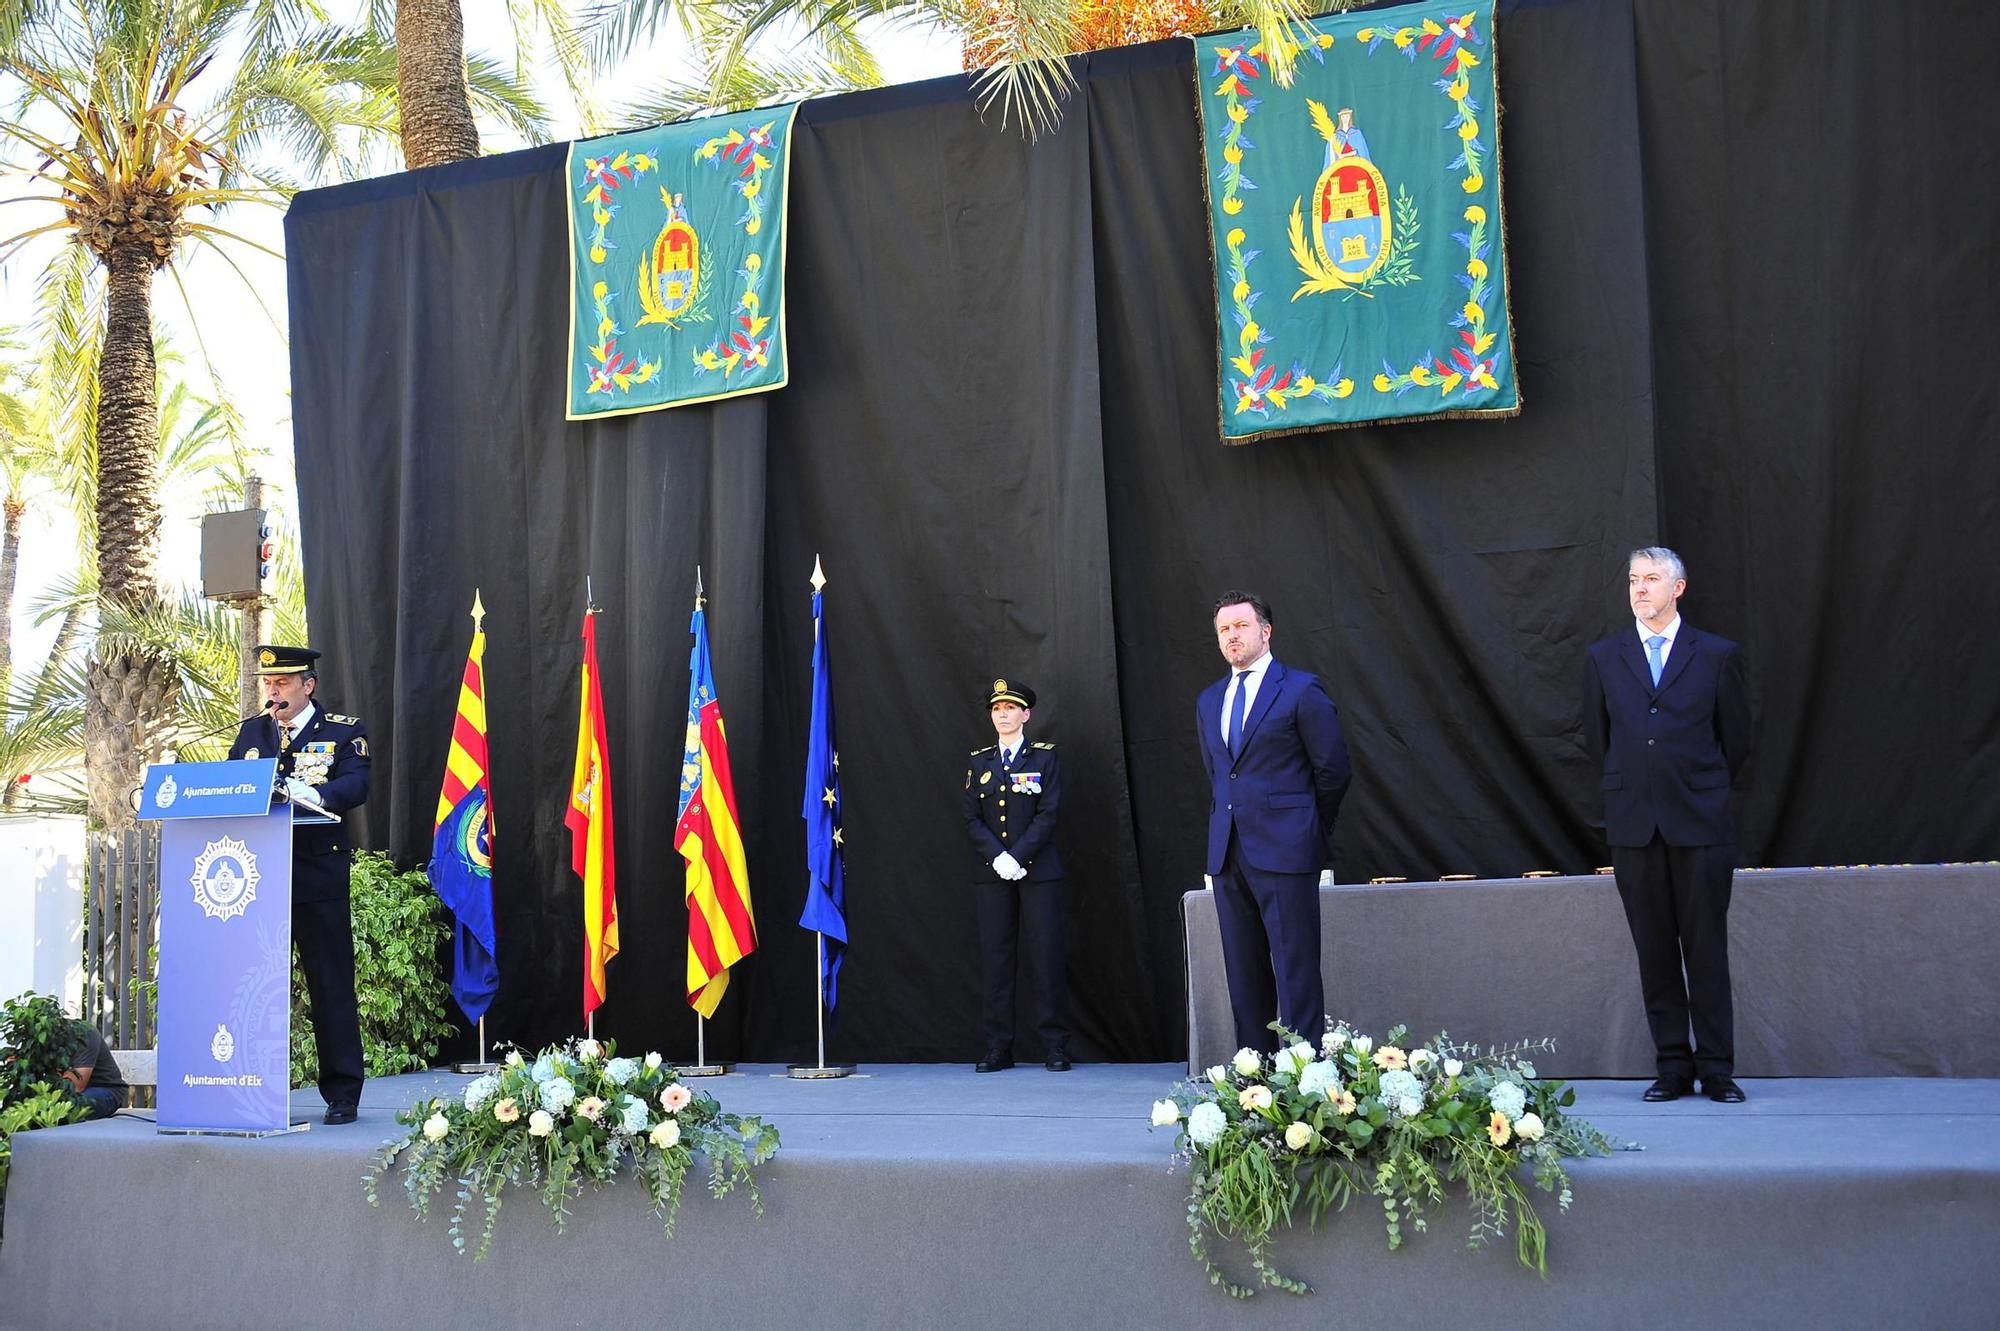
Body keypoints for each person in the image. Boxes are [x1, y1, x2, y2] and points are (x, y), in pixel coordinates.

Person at [1584, 548, 1752, 1104]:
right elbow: (1598, 740)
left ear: (1678, 588)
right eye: (1633, 579)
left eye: (1652, 579)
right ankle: (1673, 1066)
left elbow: (1738, 741)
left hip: (1700, 823)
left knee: (1705, 949)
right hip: (1635, 826)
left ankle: (1717, 1068)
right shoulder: (1605, 657)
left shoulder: (1717, 655)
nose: (1640, 589)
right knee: (1654, 952)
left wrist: (1696, 786)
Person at [1196, 592, 1351, 1053]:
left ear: (1266, 632)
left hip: (1286, 848)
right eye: (1224, 629)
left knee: (1294, 967)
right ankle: (1255, 1079)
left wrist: (1304, 826)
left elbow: (1333, 769)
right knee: (1243, 971)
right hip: (1228, 853)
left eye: (1241, 626)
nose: (1232, 636)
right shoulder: (1209, 700)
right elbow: (1219, 775)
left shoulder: (1301, 689)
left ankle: (1304, 1076)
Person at [227, 644, 372, 1124]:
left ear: (307, 686)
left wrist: (316, 792)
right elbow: (233, 787)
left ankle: (343, 1092)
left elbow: (357, 784)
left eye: (284, 682)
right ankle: (248, 1083)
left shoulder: (341, 732)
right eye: (268, 682)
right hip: (257, 876)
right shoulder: (251, 733)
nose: (273, 690)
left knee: (329, 982)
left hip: (316, 874)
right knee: (254, 983)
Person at [962, 678, 1070, 1073]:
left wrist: (1019, 856)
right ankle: (997, 1046)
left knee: (1046, 958)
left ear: (1026, 714)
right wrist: (998, 858)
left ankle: (1055, 1045)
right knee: (996, 960)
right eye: (996, 709)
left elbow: (1049, 812)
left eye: (1010, 708)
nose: (1002, 714)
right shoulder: (979, 761)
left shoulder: (1045, 758)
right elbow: (971, 818)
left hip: (1038, 871)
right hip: (993, 874)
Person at [61, 1020, 126, 1120]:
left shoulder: (84, 1032)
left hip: (105, 1089)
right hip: (73, 1092)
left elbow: (77, 1086)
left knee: (65, 1108)